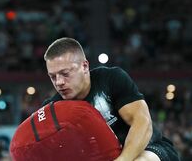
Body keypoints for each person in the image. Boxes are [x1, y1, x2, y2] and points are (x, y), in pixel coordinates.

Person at [42, 37, 180, 161]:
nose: (59, 82)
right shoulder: (52, 109)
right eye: (53, 77)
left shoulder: (111, 78)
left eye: (65, 74)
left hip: (150, 148)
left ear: (84, 66)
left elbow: (143, 123)